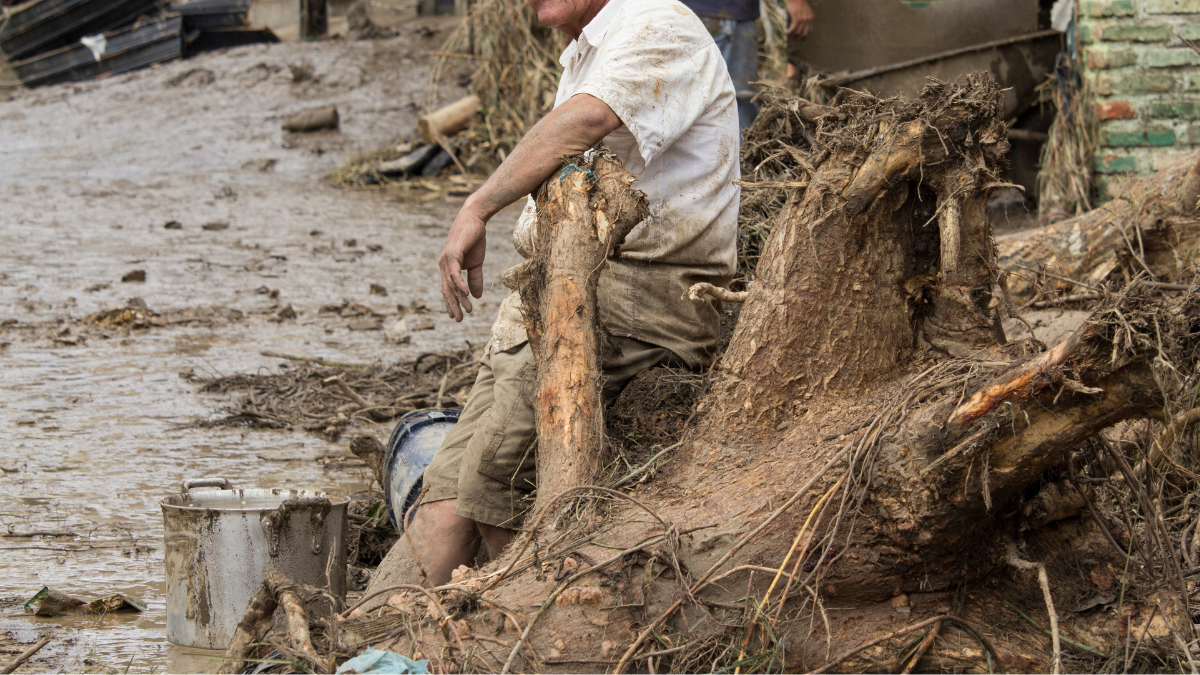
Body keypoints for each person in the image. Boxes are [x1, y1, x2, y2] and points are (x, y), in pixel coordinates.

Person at [367, 0, 742, 590]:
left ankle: (527, 624)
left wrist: (478, 206)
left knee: (496, 477)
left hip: (638, 295)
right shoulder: (588, 49)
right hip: (552, 292)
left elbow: (586, 122)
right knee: (445, 491)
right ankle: (379, 635)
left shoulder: (658, 22)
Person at [679, 0, 815, 129]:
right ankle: (737, 153)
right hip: (724, 14)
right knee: (734, 107)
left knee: (687, 103)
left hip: (685, 13)